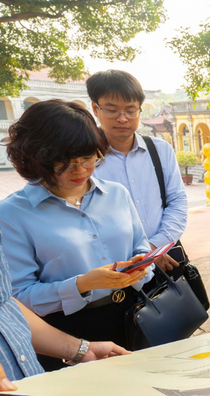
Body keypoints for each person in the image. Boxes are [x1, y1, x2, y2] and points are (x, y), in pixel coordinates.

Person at [0, 100, 153, 371]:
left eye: (89, 159)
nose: (80, 170)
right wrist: (82, 284)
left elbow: (139, 247)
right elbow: (17, 298)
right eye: (66, 164)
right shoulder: (12, 215)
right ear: (36, 159)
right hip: (66, 334)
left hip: (136, 316)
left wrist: (140, 267)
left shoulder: (116, 194)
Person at [87, 69, 188, 272]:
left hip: (165, 257)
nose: (122, 118)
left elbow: (177, 202)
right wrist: (138, 260)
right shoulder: (85, 159)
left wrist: (152, 250)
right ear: (95, 109)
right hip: (115, 269)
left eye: (131, 110)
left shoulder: (160, 150)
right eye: (112, 110)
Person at [0, 242, 129, 391]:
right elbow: (23, 293)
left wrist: (82, 350)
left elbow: (5, 304)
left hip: (34, 383)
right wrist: (82, 284)